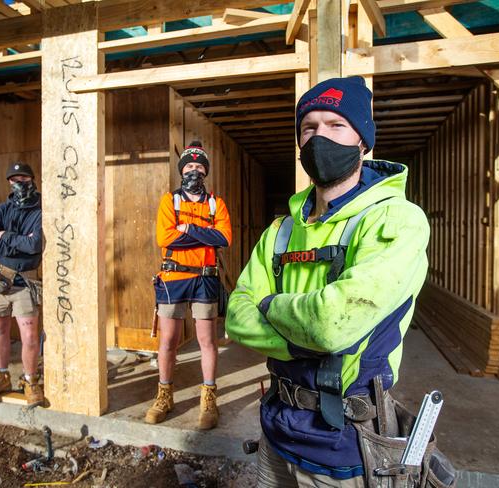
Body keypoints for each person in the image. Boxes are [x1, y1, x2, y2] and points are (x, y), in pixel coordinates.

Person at [225, 77, 431, 486]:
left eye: (336, 125)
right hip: (276, 428)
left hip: (345, 444)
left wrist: (269, 307)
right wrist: (306, 335)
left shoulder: (396, 221)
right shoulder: (281, 230)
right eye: (309, 127)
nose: (320, 137)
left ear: (362, 141)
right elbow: (235, 316)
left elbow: (331, 324)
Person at [145, 141, 232, 430]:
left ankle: (208, 398)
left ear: (205, 171)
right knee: (167, 341)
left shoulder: (215, 203)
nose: (194, 170)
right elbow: (165, 239)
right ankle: (164, 395)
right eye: (189, 166)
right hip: (173, 279)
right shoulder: (170, 201)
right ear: (182, 170)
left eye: (199, 166)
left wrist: (188, 229)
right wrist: (205, 233)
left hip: (205, 278)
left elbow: (224, 238)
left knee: (207, 341)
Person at [0, 162, 44, 408]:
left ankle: (30, 381)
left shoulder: (41, 211)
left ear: (32, 180)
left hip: (25, 281)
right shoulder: (1, 210)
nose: (19, 183)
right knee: (0, 330)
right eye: (14, 180)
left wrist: (7, 237)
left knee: (29, 334)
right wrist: (18, 242)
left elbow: (35, 247)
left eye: (23, 178)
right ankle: (1, 377)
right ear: (9, 184)